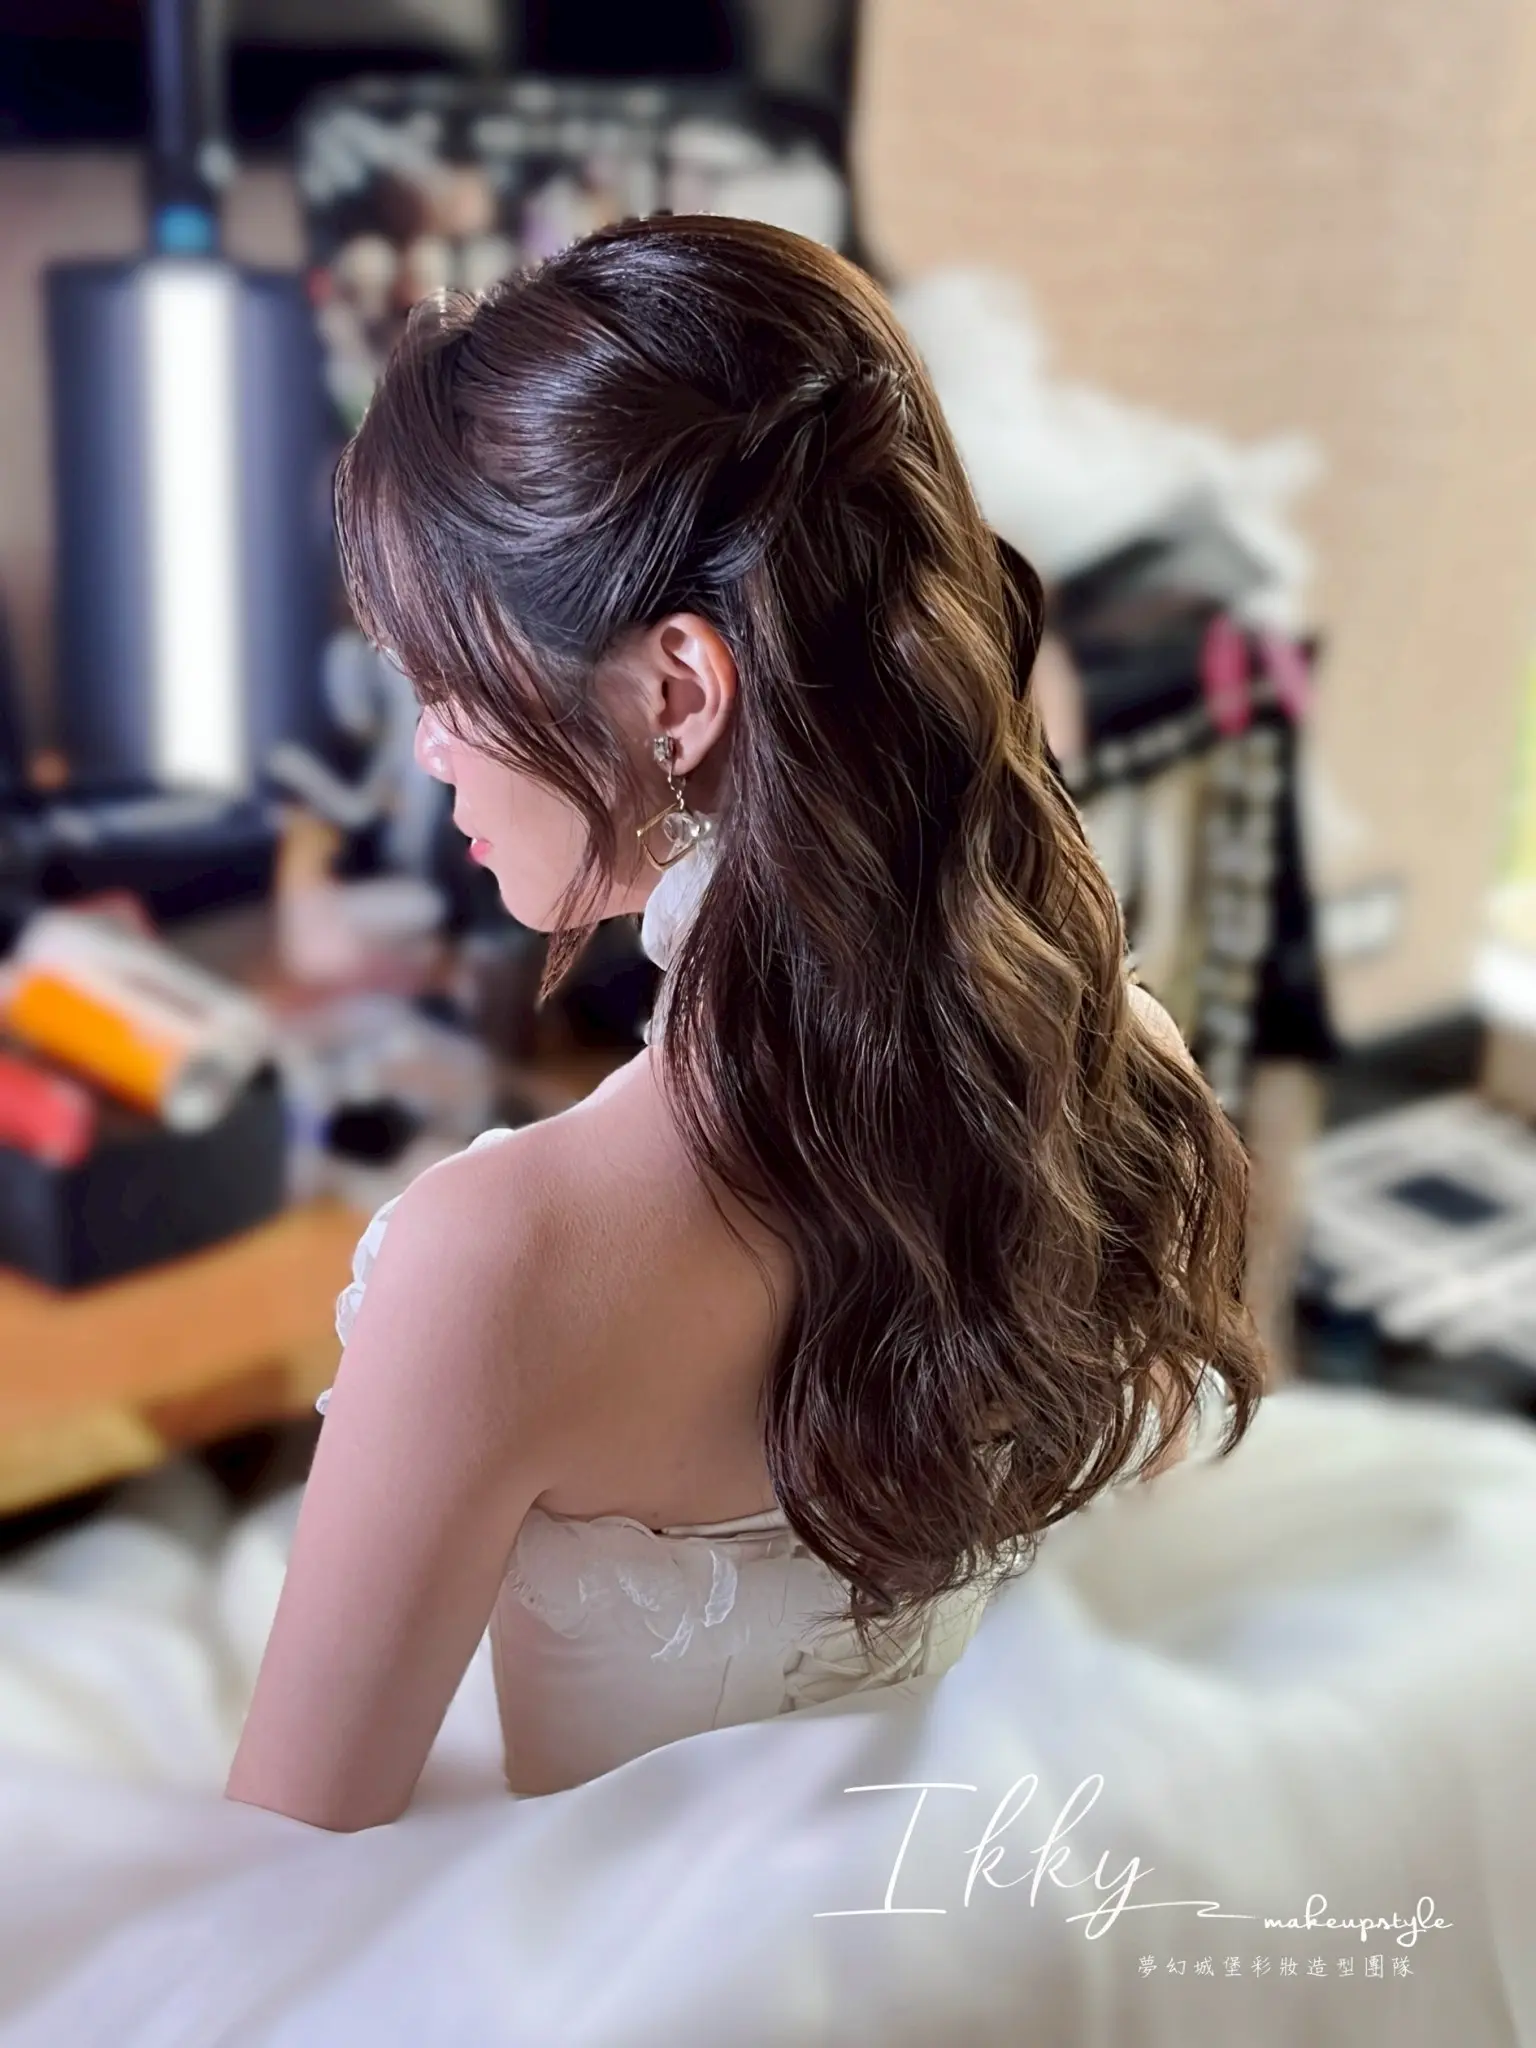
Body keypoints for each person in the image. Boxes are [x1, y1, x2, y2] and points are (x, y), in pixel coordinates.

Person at [224, 212, 1264, 1830]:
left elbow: (289, 1850)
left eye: (444, 679)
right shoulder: (1120, 1071)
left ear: (680, 691)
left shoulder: (496, 1261)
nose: (430, 747)